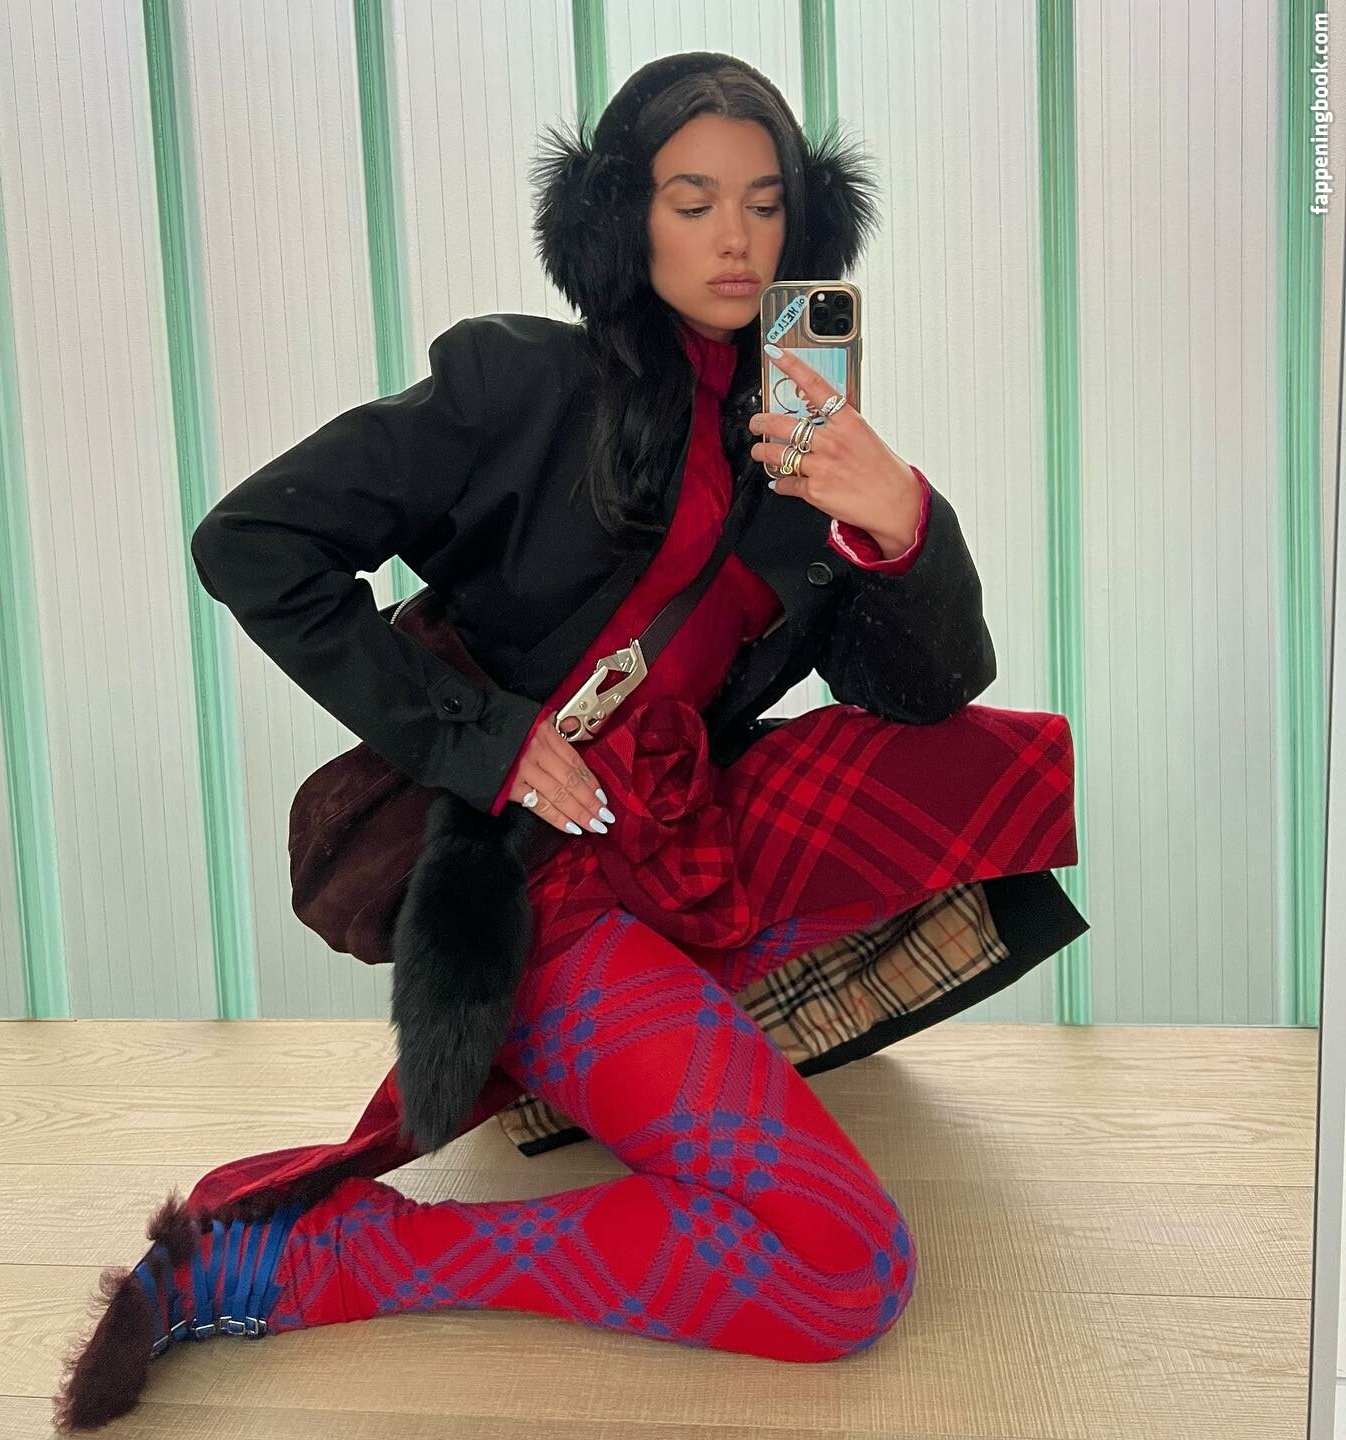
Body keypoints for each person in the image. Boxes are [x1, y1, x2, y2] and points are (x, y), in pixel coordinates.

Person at [53, 51, 1087, 1432]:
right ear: (621, 220)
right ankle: (330, 1257)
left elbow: (923, 693)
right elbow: (252, 542)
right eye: (693, 202)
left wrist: (901, 523)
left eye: (766, 204)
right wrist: (482, 739)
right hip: (529, 883)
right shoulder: (516, 387)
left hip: (682, 839)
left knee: (993, 762)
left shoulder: (805, 452)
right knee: (845, 1272)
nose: (735, 239)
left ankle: (657, 1053)